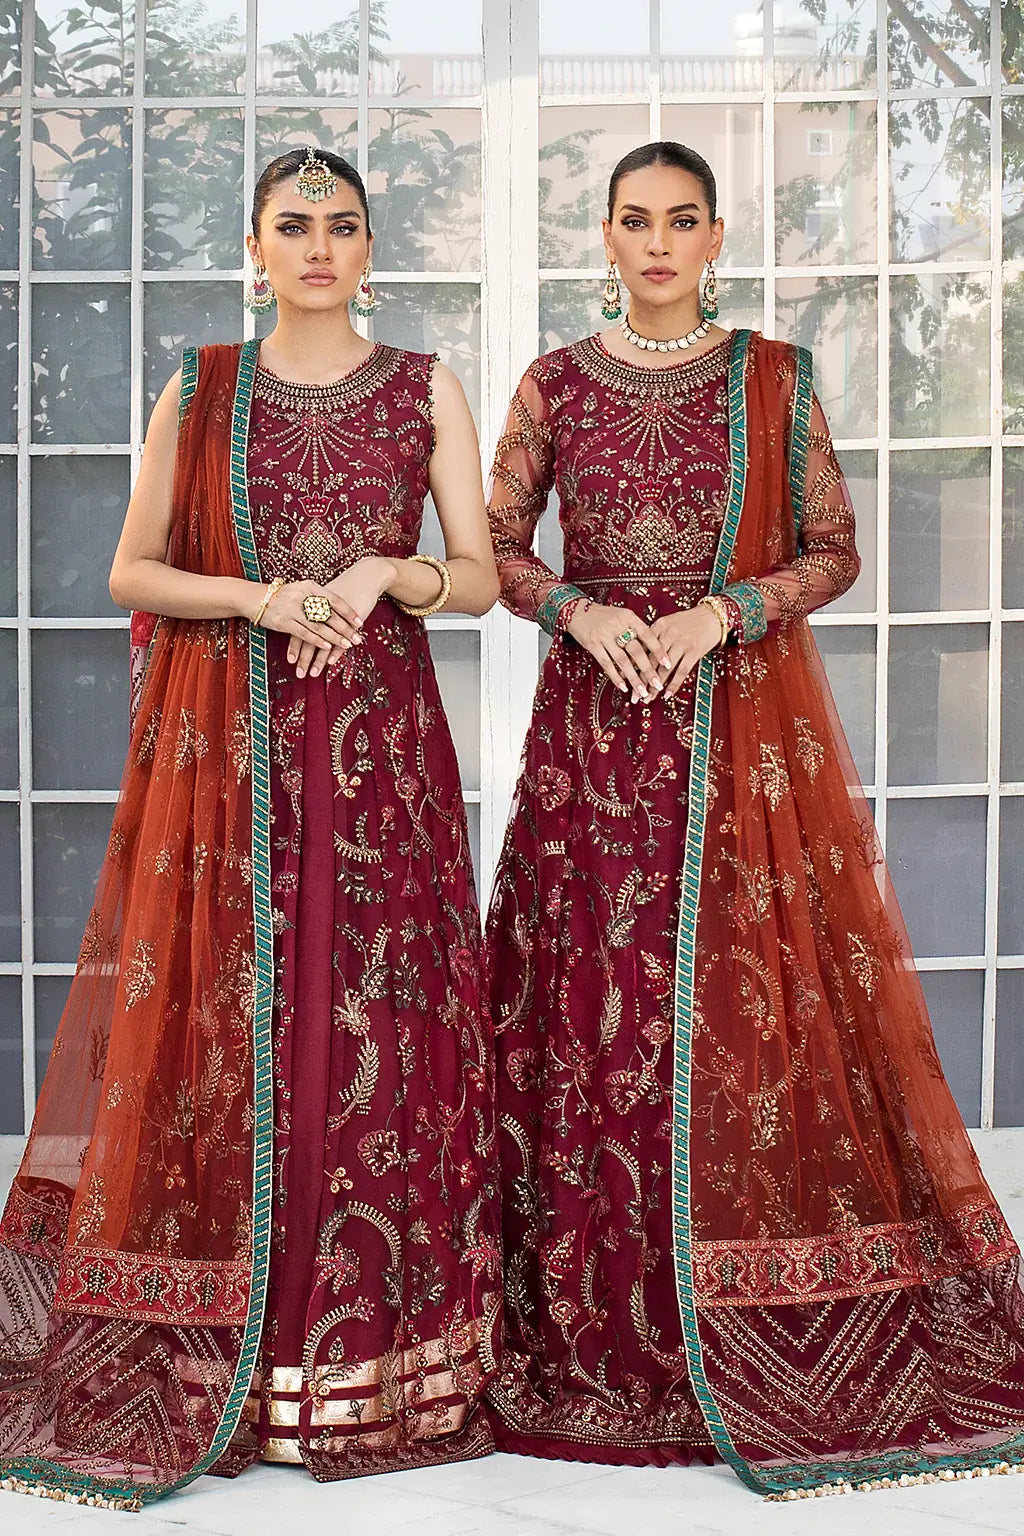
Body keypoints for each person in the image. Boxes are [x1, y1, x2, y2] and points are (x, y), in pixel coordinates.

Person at [483, 140, 1024, 1499]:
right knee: (595, 997)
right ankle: (594, 1304)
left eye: (682, 220)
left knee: (746, 998)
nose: (658, 242)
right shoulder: (554, 383)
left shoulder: (773, 377)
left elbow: (834, 549)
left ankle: (753, 1296)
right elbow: (495, 546)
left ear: (716, 236)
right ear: (606, 237)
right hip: (597, 733)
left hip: (739, 735)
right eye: (634, 220)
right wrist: (581, 612)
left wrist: (725, 612)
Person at [0, 147, 501, 1510]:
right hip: (228, 750)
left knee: (370, 1019)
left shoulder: (424, 386)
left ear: (371, 248)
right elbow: (132, 568)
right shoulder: (202, 384)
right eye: (294, 225)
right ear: (255, 249)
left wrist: (389, 572)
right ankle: (229, 1341)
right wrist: (263, 600)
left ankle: (369, 1360)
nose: (319, 245)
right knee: (232, 1015)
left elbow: (479, 577)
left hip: (379, 751)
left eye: (343, 224)